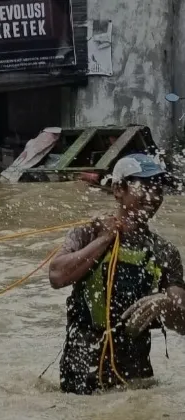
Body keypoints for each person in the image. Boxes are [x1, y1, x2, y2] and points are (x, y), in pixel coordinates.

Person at [48, 154, 185, 394]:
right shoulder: (89, 232)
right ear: (118, 189)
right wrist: (104, 239)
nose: (153, 196)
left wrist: (166, 303)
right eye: (144, 186)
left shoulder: (164, 252)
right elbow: (57, 276)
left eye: (158, 188)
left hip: (137, 379)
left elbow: (182, 321)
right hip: (80, 373)